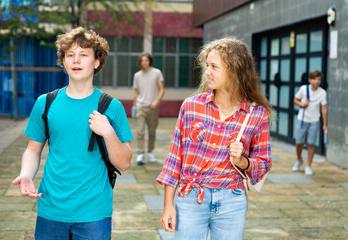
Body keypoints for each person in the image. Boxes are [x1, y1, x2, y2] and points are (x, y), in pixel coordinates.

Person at [11, 27, 133, 240]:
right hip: (51, 207)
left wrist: (108, 133)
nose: (76, 60)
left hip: (94, 212)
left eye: (84, 55)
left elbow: (124, 163)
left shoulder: (112, 107)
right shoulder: (45, 103)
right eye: (70, 55)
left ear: (96, 62)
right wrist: (26, 174)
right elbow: (32, 150)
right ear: (63, 62)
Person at [157, 38, 272, 239]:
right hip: (191, 197)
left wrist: (242, 161)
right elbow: (175, 159)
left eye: (214, 67)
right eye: (206, 66)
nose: (207, 72)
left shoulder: (256, 114)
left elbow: (263, 163)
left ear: (234, 70)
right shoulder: (191, 106)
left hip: (232, 200)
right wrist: (168, 205)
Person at [292, 70, 327, 175]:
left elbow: (324, 109)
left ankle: (308, 165)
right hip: (302, 120)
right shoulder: (304, 89)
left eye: (319, 79)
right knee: (299, 143)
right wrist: (302, 104)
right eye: (315, 79)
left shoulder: (322, 93)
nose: (317, 81)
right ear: (310, 80)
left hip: (314, 121)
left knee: (311, 144)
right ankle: (299, 160)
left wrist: (325, 125)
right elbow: (295, 100)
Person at [133, 53, 165, 165]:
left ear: (149, 61)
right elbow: (136, 92)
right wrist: (134, 105)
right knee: (140, 131)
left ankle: (150, 152)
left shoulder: (157, 73)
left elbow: (162, 89)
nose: (144, 62)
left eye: (146, 60)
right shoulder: (137, 75)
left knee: (152, 131)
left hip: (153, 107)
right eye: (142, 60)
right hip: (141, 106)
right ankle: (140, 154)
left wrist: (156, 101)